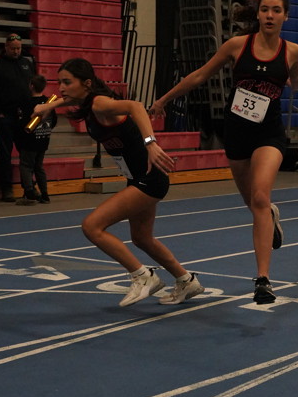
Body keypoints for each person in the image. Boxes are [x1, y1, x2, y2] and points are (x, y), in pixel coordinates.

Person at [150, 0, 298, 304]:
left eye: (276, 10)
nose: (270, 15)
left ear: (285, 16)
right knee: (252, 202)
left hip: (269, 133)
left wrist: (297, 77)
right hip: (236, 131)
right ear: (258, 14)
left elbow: (296, 78)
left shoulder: (293, 50)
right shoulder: (237, 45)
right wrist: (164, 99)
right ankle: (269, 216)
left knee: (260, 196)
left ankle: (263, 280)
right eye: (265, 10)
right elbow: (199, 75)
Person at [33, 58, 203, 306]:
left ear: (87, 83)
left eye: (67, 82)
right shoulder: (89, 102)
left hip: (149, 179)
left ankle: (142, 276)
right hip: (139, 178)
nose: (61, 88)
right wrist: (51, 105)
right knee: (142, 238)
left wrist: (150, 143)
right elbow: (72, 99)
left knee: (92, 226)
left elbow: (135, 106)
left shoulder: (100, 104)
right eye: (59, 83)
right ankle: (186, 281)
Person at [0, 33, 37, 202]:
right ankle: (6, 188)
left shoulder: (27, 63)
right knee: (5, 153)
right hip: (5, 116)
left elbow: (33, 87)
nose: (16, 51)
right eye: (13, 48)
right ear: (6, 47)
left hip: (24, 116)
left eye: (19, 48)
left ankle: (29, 187)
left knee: (26, 152)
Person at [15, 74, 56, 205]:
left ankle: (29, 193)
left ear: (31, 86)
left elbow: (22, 123)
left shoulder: (27, 103)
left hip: (29, 140)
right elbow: (54, 121)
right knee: (39, 167)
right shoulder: (49, 102)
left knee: (26, 166)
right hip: (43, 139)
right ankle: (45, 194)